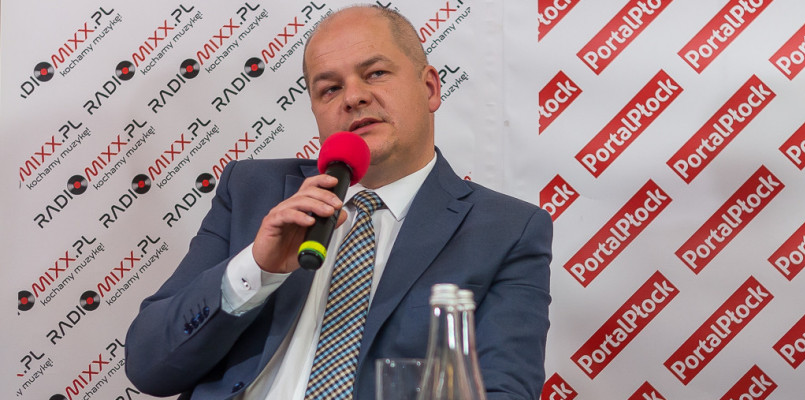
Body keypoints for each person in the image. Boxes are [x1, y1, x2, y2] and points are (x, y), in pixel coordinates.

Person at [125, 5, 552, 399]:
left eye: (376, 73)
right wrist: (256, 268)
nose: (353, 97)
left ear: (429, 88)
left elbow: (505, 391)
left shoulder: (506, 230)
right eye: (329, 89)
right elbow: (148, 367)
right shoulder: (253, 189)